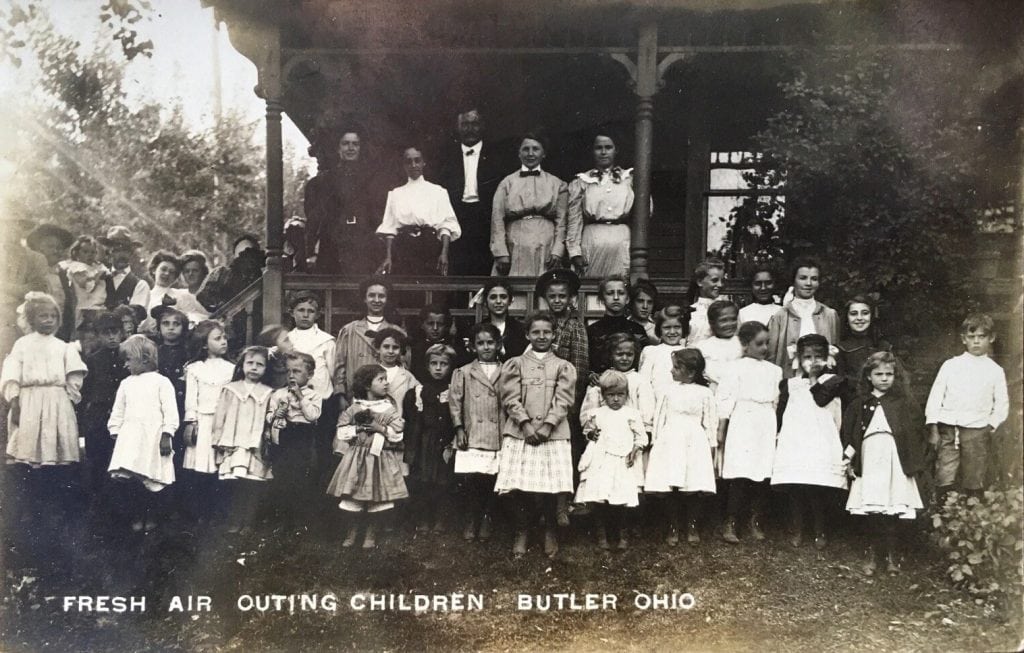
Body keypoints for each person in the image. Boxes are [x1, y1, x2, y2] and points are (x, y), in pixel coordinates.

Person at [495, 312, 577, 559]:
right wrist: (525, 424)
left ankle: (550, 530)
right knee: (516, 487)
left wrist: (548, 425)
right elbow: (509, 397)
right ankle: (522, 530)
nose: (541, 336)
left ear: (554, 335)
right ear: (527, 335)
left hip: (553, 433)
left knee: (551, 486)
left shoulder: (563, 366)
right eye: (536, 332)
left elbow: (564, 399)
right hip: (521, 432)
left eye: (546, 332)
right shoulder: (515, 364)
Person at [843, 351, 925, 576]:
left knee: (892, 506)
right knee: (873, 507)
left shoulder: (903, 403)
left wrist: (911, 460)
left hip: (894, 458)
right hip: (870, 456)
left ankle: (891, 555)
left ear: (895, 376)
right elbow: (851, 434)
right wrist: (849, 460)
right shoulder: (860, 403)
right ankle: (872, 554)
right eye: (878, 374)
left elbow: (915, 431)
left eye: (889, 374)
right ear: (869, 376)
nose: (884, 378)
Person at [771, 334, 851, 549]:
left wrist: (814, 378)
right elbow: (781, 413)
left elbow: (821, 399)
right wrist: (778, 435)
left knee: (817, 487)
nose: (813, 362)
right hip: (796, 441)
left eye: (818, 357)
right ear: (798, 358)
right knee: (796, 486)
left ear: (827, 358)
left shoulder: (834, 382)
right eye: (807, 357)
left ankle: (820, 529)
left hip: (820, 441)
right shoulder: (790, 384)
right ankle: (797, 527)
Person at [2, 293, 87, 491]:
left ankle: (53, 491)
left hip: (56, 401)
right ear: (32, 319)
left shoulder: (63, 347)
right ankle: (31, 491)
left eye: (53, 316)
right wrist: (14, 401)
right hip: (29, 401)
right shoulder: (22, 345)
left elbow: (74, 376)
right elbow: (12, 374)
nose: (49, 320)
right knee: (29, 447)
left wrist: (67, 399)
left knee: (55, 446)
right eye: (43, 316)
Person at [925, 313, 1008, 500]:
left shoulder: (995, 370)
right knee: (945, 468)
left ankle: (972, 509)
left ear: (991, 338)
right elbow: (935, 396)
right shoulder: (951, 365)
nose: (976, 341)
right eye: (971, 337)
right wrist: (933, 426)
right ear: (964, 339)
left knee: (974, 471)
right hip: (948, 427)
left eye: (981, 336)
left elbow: (1002, 404)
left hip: (977, 428)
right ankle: (944, 508)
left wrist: (990, 425)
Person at [326, 364, 409, 549]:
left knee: (376, 497)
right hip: (357, 458)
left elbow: (398, 434)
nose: (386, 383)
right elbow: (342, 431)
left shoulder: (388, 409)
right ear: (367, 385)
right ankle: (352, 531)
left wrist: (380, 428)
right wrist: (357, 429)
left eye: (386, 379)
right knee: (353, 496)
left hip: (379, 459)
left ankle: (371, 532)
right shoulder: (355, 408)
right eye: (381, 379)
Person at [644, 349, 718, 546]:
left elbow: (710, 421)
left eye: (677, 367)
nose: (671, 371)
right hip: (670, 440)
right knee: (671, 483)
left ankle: (692, 524)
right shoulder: (667, 391)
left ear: (691, 372)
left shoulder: (705, 393)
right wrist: (656, 442)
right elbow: (660, 417)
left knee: (693, 484)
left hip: (695, 442)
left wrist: (711, 444)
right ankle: (673, 525)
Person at [717, 321, 782, 544]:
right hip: (743, 420)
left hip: (765, 421)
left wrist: (775, 427)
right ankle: (731, 521)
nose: (765, 348)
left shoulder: (774, 370)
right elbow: (725, 399)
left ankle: (756, 520)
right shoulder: (734, 368)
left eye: (767, 343)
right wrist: (722, 428)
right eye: (759, 343)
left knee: (762, 472)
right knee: (740, 472)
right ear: (745, 344)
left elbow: (776, 402)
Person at [106, 334, 178, 532]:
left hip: (153, 438)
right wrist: (116, 432)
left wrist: (167, 434)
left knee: (151, 477)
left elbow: (170, 412)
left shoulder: (162, 382)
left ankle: (152, 515)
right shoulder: (126, 384)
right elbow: (118, 410)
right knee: (132, 478)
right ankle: (137, 515)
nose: (125, 364)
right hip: (131, 438)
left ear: (144, 359)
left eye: (129, 360)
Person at [575, 370, 646, 550]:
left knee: (622, 498)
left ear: (626, 395)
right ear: (603, 395)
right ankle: (602, 534)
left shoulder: (631, 414)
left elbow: (641, 436)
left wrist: (635, 449)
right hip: (602, 461)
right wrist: (591, 434)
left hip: (622, 461)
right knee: (600, 497)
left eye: (620, 395)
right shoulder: (597, 413)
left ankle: (622, 533)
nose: (615, 399)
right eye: (611, 395)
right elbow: (588, 432)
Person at [449, 323, 503, 542]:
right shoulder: (463, 372)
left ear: (498, 345)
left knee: (492, 478)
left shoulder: (507, 370)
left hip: (497, 432)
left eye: (490, 342)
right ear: (472, 347)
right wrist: (459, 428)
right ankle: (472, 518)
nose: (486, 347)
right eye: (480, 343)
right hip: (473, 432)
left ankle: (487, 517)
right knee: (472, 480)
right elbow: (455, 403)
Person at [212, 346, 274, 534]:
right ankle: (234, 520)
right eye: (250, 363)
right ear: (242, 365)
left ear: (266, 369)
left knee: (252, 485)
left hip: (255, 446)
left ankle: (248, 522)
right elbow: (220, 417)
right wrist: (219, 441)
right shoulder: (231, 390)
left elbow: (269, 421)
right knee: (235, 484)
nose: (254, 367)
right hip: (234, 444)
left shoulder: (268, 393)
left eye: (260, 365)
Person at [304, 127, 383, 275]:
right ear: (338, 148)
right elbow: (314, 219)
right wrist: (311, 251)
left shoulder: (370, 180)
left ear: (360, 148)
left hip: (362, 248)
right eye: (346, 143)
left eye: (355, 144)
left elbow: (376, 217)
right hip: (333, 248)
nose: (351, 148)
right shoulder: (324, 181)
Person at [440, 108, 508, 276]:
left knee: (484, 269)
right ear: (458, 127)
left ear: (482, 126)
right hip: (456, 216)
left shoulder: (497, 155)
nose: (470, 129)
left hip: (485, 218)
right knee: (456, 269)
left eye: (474, 124)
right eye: (465, 124)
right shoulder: (446, 156)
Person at [490, 134, 568, 276]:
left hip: (546, 242)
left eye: (535, 149)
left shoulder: (557, 184)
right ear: (519, 153)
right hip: (515, 242)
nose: (530, 154)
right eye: (526, 149)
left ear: (543, 154)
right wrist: (500, 252)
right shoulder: (507, 182)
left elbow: (562, 221)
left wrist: (557, 250)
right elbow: (497, 218)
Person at [376, 146, 461, 276]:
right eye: (408, 161)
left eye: (417, 160)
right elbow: (390, 229)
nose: (413, 165)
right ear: (404, 165)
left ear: (423, 162)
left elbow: (446, 226)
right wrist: (388, 257)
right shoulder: (396, 194)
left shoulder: (438, 192)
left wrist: (444, 253)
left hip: (430, 247)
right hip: (403, 248)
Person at [181, 320, 234, 522]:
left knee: (221, 464)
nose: (224, 341)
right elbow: (191, 399)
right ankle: (200, 512)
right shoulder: (194, 369)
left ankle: (219, 511)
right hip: (202, 422)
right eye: (218, 338)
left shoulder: (232, 368)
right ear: (204, 344)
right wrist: (191, 422)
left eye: (224, 338)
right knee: (202, 464)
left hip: (223, 422)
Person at [565, 133, 636, 279]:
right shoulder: (583, 181)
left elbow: (644, 213)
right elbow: (574, 219)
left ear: (616, 150)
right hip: (592, 240)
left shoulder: (628, 179)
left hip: (621, 239)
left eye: (608, 147)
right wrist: (575, 252)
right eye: (599, 148)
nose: (603, 152)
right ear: (592, 151)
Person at [404, 344, 457, 533]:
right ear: (427, 366)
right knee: (422, 480)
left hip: (445, 442)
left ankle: (441, 518)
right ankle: (423, 518)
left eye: (444, 364)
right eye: (434, 363)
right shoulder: (417, 392)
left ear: (450, 367)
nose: (438, 368)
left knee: (443, 481)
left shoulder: (454, 391)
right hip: (424, 442)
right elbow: (410, 420)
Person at [266, 352, 322, 529]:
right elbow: (269, 416)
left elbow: (312, 415)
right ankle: (282, 520)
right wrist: (275, 414)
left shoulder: (313, 395)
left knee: (300, 476)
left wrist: (300, 396)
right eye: (288, 371)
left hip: (302, 436)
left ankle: (299, 521)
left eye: (296, 371)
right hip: (283, 436)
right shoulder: (278, 394)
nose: (291, 375)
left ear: (310, 374)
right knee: (282, 476)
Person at [78, 312, 129, 504]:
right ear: (98, 335)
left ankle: (121, 504)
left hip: (124, 416)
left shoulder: (128, 356)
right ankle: (99, 503)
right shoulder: (92, 360)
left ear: (122, 333)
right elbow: (86, 393)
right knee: (99, 460)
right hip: (100, 416)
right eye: (106, 333)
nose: (111, 337)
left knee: (121, 461)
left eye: (115, 332)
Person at [333, 277, 404, 405]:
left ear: (387, 299)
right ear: (364, 298)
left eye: (381, 296)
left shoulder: (397, 331)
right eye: (371, 295)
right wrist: (340, 394)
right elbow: (340, 366)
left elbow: (403, 366)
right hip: (356, 396)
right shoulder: (349, 330)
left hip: (389, 397)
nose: (376, 300)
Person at [766, 257, 840, 377]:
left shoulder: (830, 314)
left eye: (814, 279)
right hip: (790, 378)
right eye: (803, 278)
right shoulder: (780, 316)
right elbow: (771, 356)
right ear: (793, 281)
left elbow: (835, 351)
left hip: (823, 380)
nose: (808, 283)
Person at [0, 216, 50, 360]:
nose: (11, 230)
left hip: (21, 320)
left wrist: (5, 287)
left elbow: (38, 289)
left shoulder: (36, 258)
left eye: (18, 226)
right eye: (6, 225)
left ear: (23, 229)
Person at [586, 274, 647, 375]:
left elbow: (644, 363)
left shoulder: (637, 330)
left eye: (621, 293)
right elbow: (586, 364)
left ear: (627, 299)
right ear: (602, 299)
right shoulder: (592, 331)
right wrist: (591, 375)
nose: (616, 297)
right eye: (610, 293)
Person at [26, 223, 75, 341]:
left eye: (59, 248)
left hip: (59, 332)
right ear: (38, 249)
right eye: (50, 246)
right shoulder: (29, 271)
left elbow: (68, 307)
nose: (56, 251)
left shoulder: (64, 274)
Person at [196, 234, 266, 316]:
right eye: (242, 255)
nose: (248, 260)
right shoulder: (222, 274)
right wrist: (220, 306)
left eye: (251, 254)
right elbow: (203, 296)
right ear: (235, 257)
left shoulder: (264, 276)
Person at [409, 304, 471, 382]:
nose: (435, 328)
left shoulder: (456, 350)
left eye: (440, 324)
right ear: (422, 325)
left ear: (446, 326)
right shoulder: (415, 350)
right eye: (430, 323)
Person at [638, 305, 688, 398]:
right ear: (659, 329)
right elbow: (644, 383)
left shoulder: (689, 352)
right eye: (667, 327)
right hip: (656, 401)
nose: (672, 332)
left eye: (677, 327)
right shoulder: (651, 352)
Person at [694, 300, 742, 393]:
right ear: (712, 323)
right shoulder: (703, 346)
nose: (729, 324)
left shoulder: (743, 343)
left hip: (739, 391)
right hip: (713, 391)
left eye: (733, 319)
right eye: (723, 320)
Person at [63, 236, 110, 331]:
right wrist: (97, 277)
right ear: (77, 253)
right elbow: (86, 286)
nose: (90, 255)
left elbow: (108, 275)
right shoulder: (77, 267)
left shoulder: (97, 266)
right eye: (85, 252)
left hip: (99, 307)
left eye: (93, 252)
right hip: (86, 307)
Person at [372, 328, 419, 419]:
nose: (390, 351)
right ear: (378, 349)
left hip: (399, 422)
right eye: (386, 347)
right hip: (374, 423)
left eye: (395, 347)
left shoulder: (407, 376)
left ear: (401, 351)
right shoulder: (369, 373)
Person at [99, 226, 150, 310]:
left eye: (126, 250)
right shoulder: (99, 280)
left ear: (131, 253)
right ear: (109, 253)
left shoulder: (140, 285)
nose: (122, 255)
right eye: (117, 250)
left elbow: (135, 314)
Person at [478, 279, 527, 361]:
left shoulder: (521, 330)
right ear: (486, 301)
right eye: (493, 297)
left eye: (503, 297)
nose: (498, 301)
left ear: (510, 301)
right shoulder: (478, 329)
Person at [685, 257, 726, 346]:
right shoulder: (690, 310)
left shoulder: (726, 309)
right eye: (714, 280)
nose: (720, 285)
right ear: (700, 282)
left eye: (722, 281)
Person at [256, 324, 295, 390]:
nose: (292, 344)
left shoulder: (291, 366)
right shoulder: (264, 372)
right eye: (286, 340)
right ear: (273, 347)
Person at [629, 279, 660, 346]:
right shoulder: (624, 325)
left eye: (649, 302)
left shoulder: (657, 329)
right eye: (640, 301)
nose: (645, 306)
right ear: (632, 302)